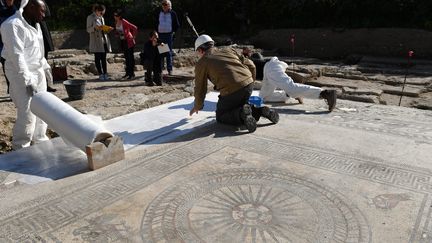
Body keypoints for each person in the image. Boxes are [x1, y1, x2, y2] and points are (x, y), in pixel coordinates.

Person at [189, 34, 279, 133]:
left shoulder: (202, 63)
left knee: (221, 115)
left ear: (201, 50)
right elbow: (252, 65)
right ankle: (261, 111)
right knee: (240, 105)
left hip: (231, 90)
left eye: (198, 53)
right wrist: (250, 82)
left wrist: (197, 106)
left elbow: (200, 88)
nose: (198, 56)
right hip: (248, 84)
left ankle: (242, 114)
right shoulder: (229, 50)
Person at [1, 0, 51, 149]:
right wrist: (27, 80)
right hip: (19, 74)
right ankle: (21, 146)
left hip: (37, 71)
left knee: (43, 109)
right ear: (31, 7)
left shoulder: (36, 25)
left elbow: (38, 50)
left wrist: (46, 67)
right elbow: (17, 57)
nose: (43, 15)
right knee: (27, 113)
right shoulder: (12, 25)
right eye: (41, 11)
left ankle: (40, 139)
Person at [259, 56, 337, 112]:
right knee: (264, 97)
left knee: (291, 88)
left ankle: (325, 93)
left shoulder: (249, 64)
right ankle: (288, 94)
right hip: (268, 69)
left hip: (270, 68)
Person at [87, 3, 112, 81]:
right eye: (101, 12)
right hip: (96, 41)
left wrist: (107, 29)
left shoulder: (102, 18)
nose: (101, 14)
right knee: (97, 58)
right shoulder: (90, 17)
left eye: (102, 13)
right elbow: (88, 29)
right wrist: (95, 28)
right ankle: (100, 74)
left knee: (104, 58)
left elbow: (103, 28)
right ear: (97, 10)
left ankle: (105, 73)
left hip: (103, 40)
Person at [155, 0, 179, 76]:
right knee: (161, 52)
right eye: (163, 4)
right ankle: (161, 69)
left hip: (168, 35)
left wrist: (173, 32)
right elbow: (156, 22)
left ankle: (169, 69)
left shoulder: (173, 13)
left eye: (166, 4)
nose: (164, 6)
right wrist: (156, 32)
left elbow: (177, 24)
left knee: (168, 52)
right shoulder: (159, 13)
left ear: (169, 5)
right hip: (161, 35)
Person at [114, 9, 137, 80]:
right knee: (126, 58)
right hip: (123, 41)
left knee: (130, 58)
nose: (114, 16)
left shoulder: (124, 21)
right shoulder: (116, 22)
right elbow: (119, 32)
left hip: (129, 41)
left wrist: (133, 36)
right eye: (114, 15)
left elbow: (135, 28)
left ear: (119, 16)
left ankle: (131, 74)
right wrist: (116, 34)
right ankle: (127, 73)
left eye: (116, 15)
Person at [0, 0, 16, 94]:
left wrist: (10, 5)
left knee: (10, 63)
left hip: (8, 37)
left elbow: (15, 14)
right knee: (6, 63)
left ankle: (12, 88)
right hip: (2, 40)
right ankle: (11, 88)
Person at [39, 0, 55, 92]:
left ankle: (46, 85)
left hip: (42, 29)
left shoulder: (41, 2)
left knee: (44, 61)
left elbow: (47, 14)